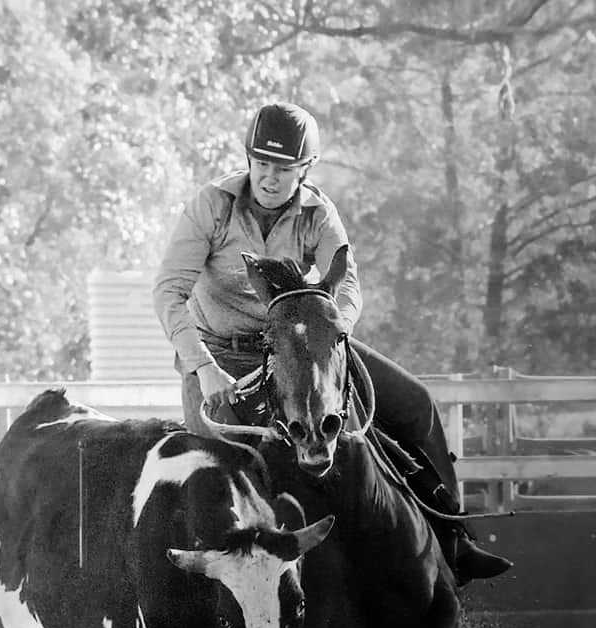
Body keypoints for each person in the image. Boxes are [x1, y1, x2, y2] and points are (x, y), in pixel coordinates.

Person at [153, 101, 511, 584]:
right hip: (219, 352)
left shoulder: (318, 214)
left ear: (306, 168)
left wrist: (331, 335)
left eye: (284, 168)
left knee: (415, 404)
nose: (270, 178)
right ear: (248, 159)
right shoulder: (210, 207)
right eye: (262, 164)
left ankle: (454, 540)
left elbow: (348, 286)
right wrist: (202, 366)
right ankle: (212, 582)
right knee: (224, 456)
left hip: (302, 346)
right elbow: (168, 292)